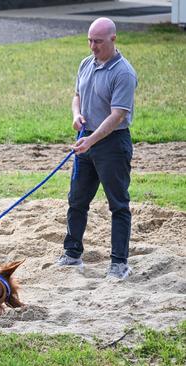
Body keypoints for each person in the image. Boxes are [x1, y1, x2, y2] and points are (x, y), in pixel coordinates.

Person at [57, 17, 137, 280]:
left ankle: (118, 263)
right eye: (90, 40)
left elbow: (117, 115)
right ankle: (72, 254)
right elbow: (76, 95)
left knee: (118, 204)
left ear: (113, 39)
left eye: (98, 42)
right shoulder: (86, 63)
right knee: (77, 200)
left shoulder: (123, 72)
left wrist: (91, 141)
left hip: (112, 144)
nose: (92, 46)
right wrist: (76, 114)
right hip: (86, 140)